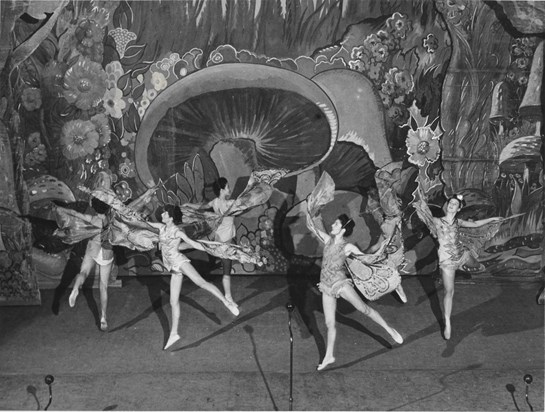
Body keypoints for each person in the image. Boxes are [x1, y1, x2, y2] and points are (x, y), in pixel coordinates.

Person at [306, 211, 404, 371]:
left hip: (340, 283)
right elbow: (311, 226)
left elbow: (366, 260)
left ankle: (389, 329)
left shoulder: (347, 247)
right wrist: (311, 207)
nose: (332, 225)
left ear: (343, 229)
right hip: (326, 285)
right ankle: (329, 356)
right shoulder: (327, 240)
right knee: (329, 323)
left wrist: (384, 267)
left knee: (364, 309)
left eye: (336, 224)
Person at [148, 204, 240, 350]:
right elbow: (144, 224)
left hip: (180, 262)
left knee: (201, 283)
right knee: (173, 301)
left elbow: (192, 244)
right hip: (174, 268)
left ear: (171, 217)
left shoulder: (177, 231)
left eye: (165, 214)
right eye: (162, 214)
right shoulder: (161, 228)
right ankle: (174, 333)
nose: (162, 216)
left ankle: (226, 302)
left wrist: (212, 248)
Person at [413, 190, 502, 340]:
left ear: (458, 209)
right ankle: (447, 322)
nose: (451, 205)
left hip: (462, 254)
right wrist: (420, 203)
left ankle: (470, 267)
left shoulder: (458, 222)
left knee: (478, 266)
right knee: (449, 291)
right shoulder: (437, 221)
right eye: (450, 203)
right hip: (447, 261)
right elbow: (426, 217)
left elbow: (475, 224)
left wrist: (493, 219)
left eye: (455, 204)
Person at [68, 198, 115, 332]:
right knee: (103, 286)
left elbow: (75, 213)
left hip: (93, 249)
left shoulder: (92, 219)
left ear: (95, 207)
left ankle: (76, 288)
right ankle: (103, 318)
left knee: (83, 272)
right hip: (106, 253)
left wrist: (61, 208)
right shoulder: (111, 220)